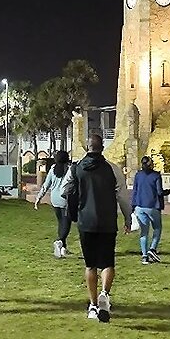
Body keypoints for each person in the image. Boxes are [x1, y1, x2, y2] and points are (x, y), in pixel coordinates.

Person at [61, 134, 132, 323]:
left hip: (86, 222)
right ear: (103, 147)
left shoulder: (75, 168)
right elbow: (123, 196)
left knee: (90, 265)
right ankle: (105, 294)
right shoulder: (112, 169)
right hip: (107, 221)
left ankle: (93, 305)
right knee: (108, 263)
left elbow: (64, 191)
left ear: (87, 147)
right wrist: (128, 218)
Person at [32, 150, 73, 258]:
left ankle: (63, 248)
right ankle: (59, 241)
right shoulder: (69, 169)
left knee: (61, 222)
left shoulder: (53, 169)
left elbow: (46, 185)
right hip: (65, 200)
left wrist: (38, 198)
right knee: (66, 224)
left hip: (54, 199)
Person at [132, 155, 166, 265]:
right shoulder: (156, 175)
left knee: (144, 232)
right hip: (153, 206)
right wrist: (168, 192)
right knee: (157, 228)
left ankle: (144, 256)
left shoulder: (138, 175)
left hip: (140, 206)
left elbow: (135, 191)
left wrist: (133, 205)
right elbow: (160, 192)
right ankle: (152, 248)